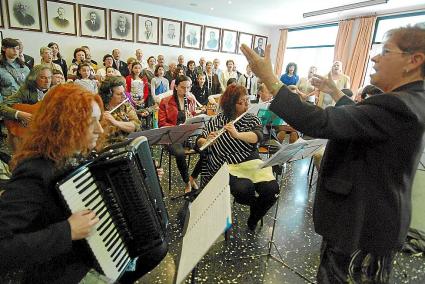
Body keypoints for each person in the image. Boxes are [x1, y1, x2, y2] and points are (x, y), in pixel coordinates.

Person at [240, 24, 425, 283]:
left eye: (384, 51)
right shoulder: (409, 101)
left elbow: (321, 122)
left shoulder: (397, 105)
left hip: (361, 226)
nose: (374, 57)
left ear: (414, 61)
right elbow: (365, 120)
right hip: (372, 221)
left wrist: (270, 79)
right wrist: (336, 93)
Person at [0, 83, 156, 283]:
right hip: (61, 270)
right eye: (91, 123)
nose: (100, 130)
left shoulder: (79, 156)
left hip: (89, 253)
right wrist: (67, 231)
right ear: (66, 124)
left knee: (154, 251)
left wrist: (137, 183)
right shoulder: (34, 171)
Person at [197, 84, 280, 230]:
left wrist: (237, 134)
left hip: (250, 161)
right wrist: (207, 140)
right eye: (240, 103)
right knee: (243, 189)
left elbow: (257, 136)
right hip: (226, 163)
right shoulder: (216, 121)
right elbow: (199, 141)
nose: (246, 106)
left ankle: (254, 217)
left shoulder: (252, 119)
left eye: (246, 101)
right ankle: (256, 206)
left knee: (272, 190)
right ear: (230, 104)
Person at [158, 75, 198, 193]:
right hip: (170, 136)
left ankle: (193, 177)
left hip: (187, 134)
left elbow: (193, 115)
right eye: (183, 87)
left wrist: (193, 118)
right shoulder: (165, 101)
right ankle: (186, 181)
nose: (186, 91)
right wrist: (177, 128)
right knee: (180, 153)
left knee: (206, 148)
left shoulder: (190, 100)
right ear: (175, 87)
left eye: (188, 88)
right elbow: (161, 123)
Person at [98, 76, 140, 146]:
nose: (124, 96)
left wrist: (115, 122)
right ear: (108, 95)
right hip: (106, 147)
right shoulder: (97, 108)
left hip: (127, 144)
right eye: (119, 94)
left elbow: (136, 125)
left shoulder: (125, 105)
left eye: (124, 92)